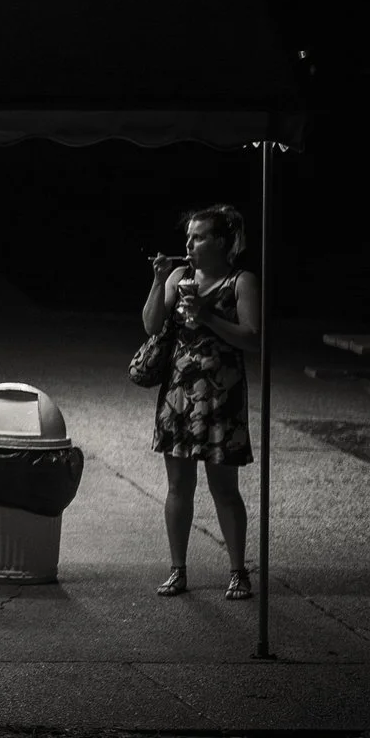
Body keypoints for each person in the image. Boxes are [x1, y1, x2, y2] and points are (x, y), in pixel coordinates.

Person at [144, 205, 259, 599]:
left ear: (222, 242)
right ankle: (178, 569)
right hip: (179, 394)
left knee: (224, 487)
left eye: (198, 237)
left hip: (220, 399)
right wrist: (159, 282)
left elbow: (251, 338)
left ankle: (238, 571)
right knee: (178, 486)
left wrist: (207, 316)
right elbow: (151, 325)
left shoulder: (241, 282)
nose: (189, 244)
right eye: (188, 237)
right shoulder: (180, 276)